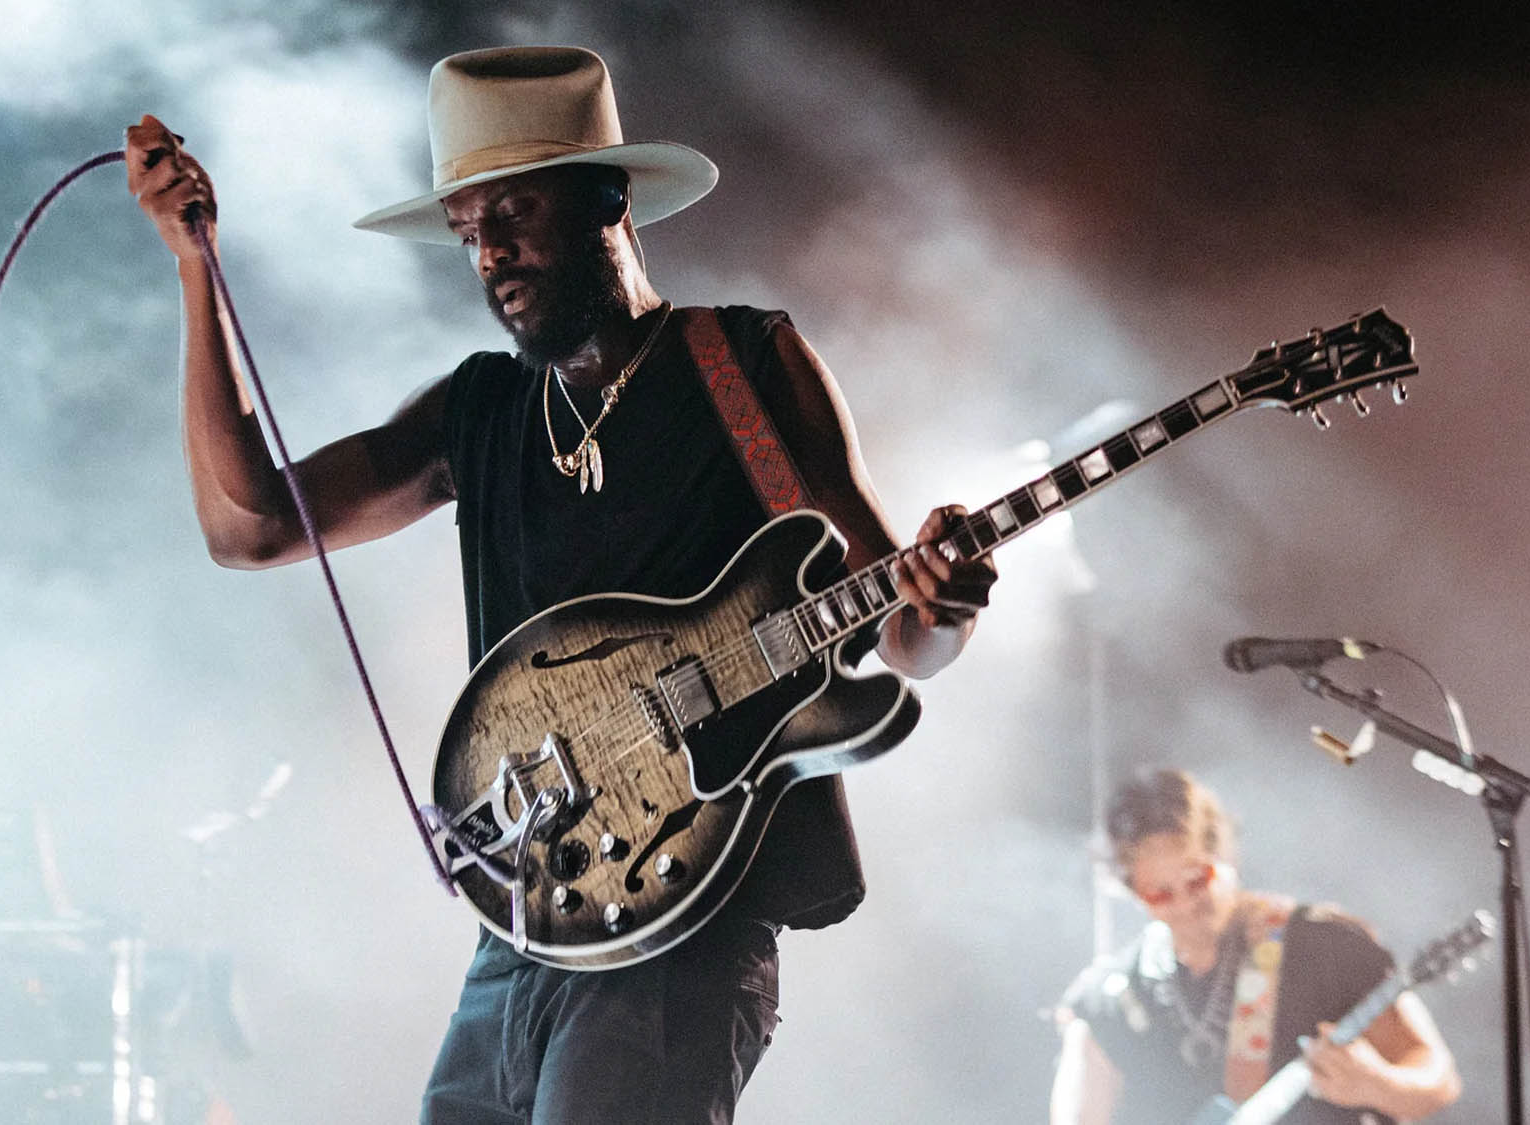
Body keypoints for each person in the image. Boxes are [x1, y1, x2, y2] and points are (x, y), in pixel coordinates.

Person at [126, 45, 997, 1124]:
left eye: (516, 212)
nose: (490, 251)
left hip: (687, 932)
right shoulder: (480, 410)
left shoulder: (744, 364)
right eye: (468, 229)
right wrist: (193, 266)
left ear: (609, 196)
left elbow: (898, 635)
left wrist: (943, 611)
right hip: (528, 931)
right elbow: (248, 527)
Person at [1051, 770, 1461, 1124]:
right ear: (1133, 893)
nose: (1185, 903)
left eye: (1197, 879)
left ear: (1224, 855)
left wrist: (1378, 1086)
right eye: (1160, 893)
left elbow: (1438, 1078)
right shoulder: (1111, 994)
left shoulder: (1321, 944)